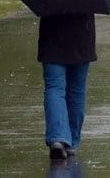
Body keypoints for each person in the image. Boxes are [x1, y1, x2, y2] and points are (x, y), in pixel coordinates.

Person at [38, 12, 97, 160]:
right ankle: (71, 141)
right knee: (76, 90)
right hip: (82, 34)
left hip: (52, 36)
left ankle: (58, 138)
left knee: (54, 88)